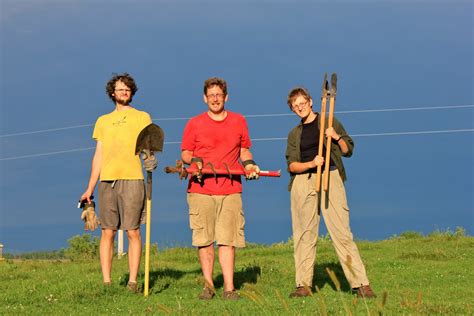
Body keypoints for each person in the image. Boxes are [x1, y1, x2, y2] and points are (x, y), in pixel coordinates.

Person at [285, 86, 376, 298]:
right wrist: (310, 163)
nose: (300, 108)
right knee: (304, 234)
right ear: (292, 109)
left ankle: (361, 284)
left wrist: (335, 137)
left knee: (341, 231)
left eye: (302, 103)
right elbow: (292, 165)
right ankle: (303, 285)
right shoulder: (293, 134)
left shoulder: (329, 120)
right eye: (295, 106)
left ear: (310, 102)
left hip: (330, 176)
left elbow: (348, 150)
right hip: (303, 181)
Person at [181, 77, 260, 300]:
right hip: (200, 189)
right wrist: (195, 162)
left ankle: (229, 288)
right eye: (211, 95)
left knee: (228, 239)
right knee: (204, 240)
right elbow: (186, 153)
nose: (215, 98)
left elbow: (244, 151)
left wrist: (250, 165)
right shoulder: (194, 123)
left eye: (219, 95)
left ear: (226, 97)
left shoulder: (239, 121)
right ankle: (208, 287)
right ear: (204, 98)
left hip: (231, 189)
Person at [80, 73, 157, 292]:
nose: (124, 92)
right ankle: (107, 283)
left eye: (127, 89)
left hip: (133, 179)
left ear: (131, 92)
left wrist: (150, 159)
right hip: (107, 180)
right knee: (107, 231)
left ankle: (133, 282)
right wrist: (89, 188)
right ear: (112, 93)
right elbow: (99, 156)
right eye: (120, 89)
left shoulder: (142, 117)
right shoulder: (102, 121)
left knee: (132, 231)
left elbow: (148, 147)